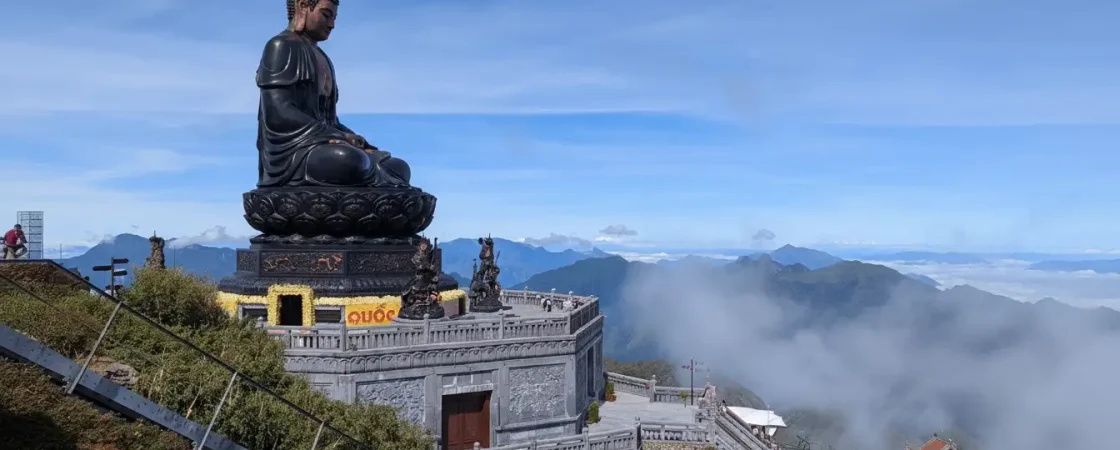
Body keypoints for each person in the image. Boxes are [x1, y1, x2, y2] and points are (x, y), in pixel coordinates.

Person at [256, 0, 411, 188]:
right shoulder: (281, 45)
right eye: (326, 15)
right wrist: (340, 138)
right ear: (303, 6)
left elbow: (330, 120)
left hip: (324, 143)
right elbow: (278, 113)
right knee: (349, 160)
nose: (332, 25)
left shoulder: (324, 59)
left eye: (334, 18)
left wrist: (353, 138)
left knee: (397, 167)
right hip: (294, 151)